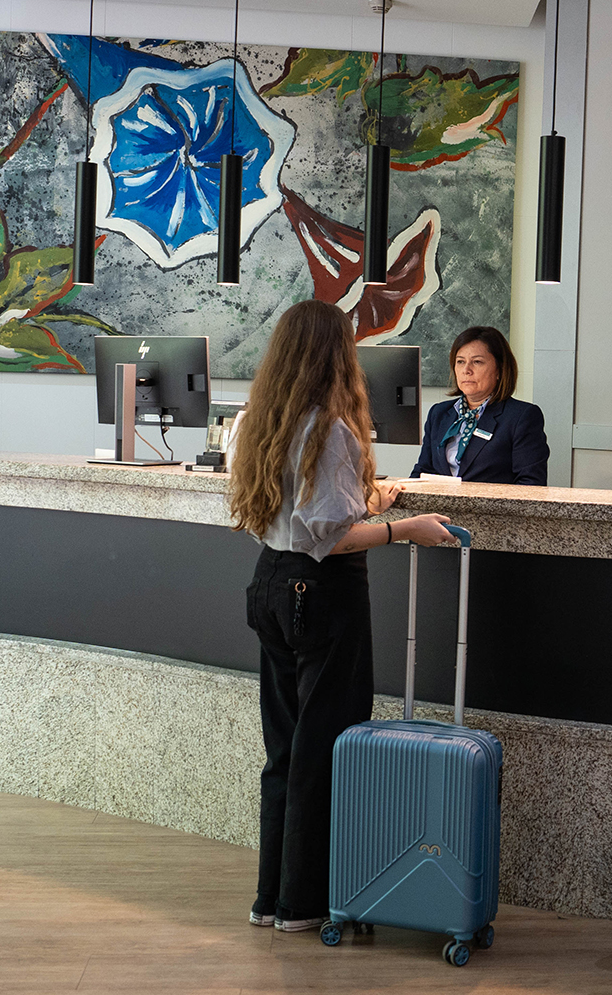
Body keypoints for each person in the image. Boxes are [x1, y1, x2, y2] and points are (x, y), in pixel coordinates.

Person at [226, 299, 458, 933]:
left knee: (285, 749)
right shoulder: (330, 430)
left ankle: (269, 898)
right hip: (321, 594)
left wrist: (371, 499)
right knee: (325, 749)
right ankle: (304, 904)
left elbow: (305, 516)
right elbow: (332, 537)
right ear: (337, 356)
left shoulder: (259, 420)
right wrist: (403, 528)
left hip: (271, 585)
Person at [411, 326, 549, 484]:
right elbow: (422, 472)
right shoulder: (439, 413)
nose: (466, 370)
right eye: (460, 362)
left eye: (477, 362)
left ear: (499, 369)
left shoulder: (522, 416)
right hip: (438, 508)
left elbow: (531, 484)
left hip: (492, 509)